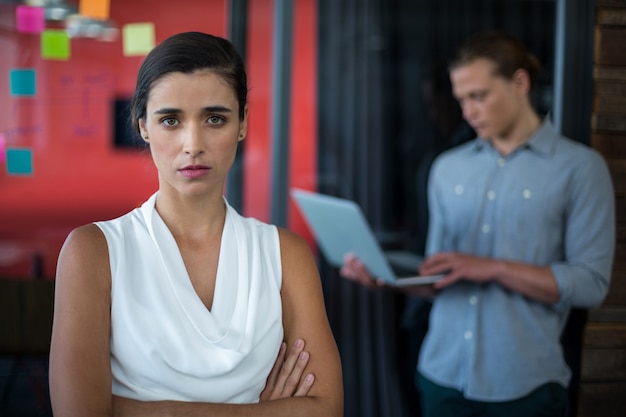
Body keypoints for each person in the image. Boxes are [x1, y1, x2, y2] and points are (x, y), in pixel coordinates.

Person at [49, 31, 343, 417]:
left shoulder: (285, 254)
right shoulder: (93, 252)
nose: (193, 143)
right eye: (170, 120)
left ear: (242, 123)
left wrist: (149, 410)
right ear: (142, 126)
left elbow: (327, 409)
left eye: (215, 118)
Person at [341, 30, 615, 417]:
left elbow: (591, 285)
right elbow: (443, 277)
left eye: (479, 96)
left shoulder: (580, 169)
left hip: (525, 385)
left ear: (520, 82)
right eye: (461, 99)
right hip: (442, 376)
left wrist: (493, 268)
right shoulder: (447, 168)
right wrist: (389, 279)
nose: (468, 111)